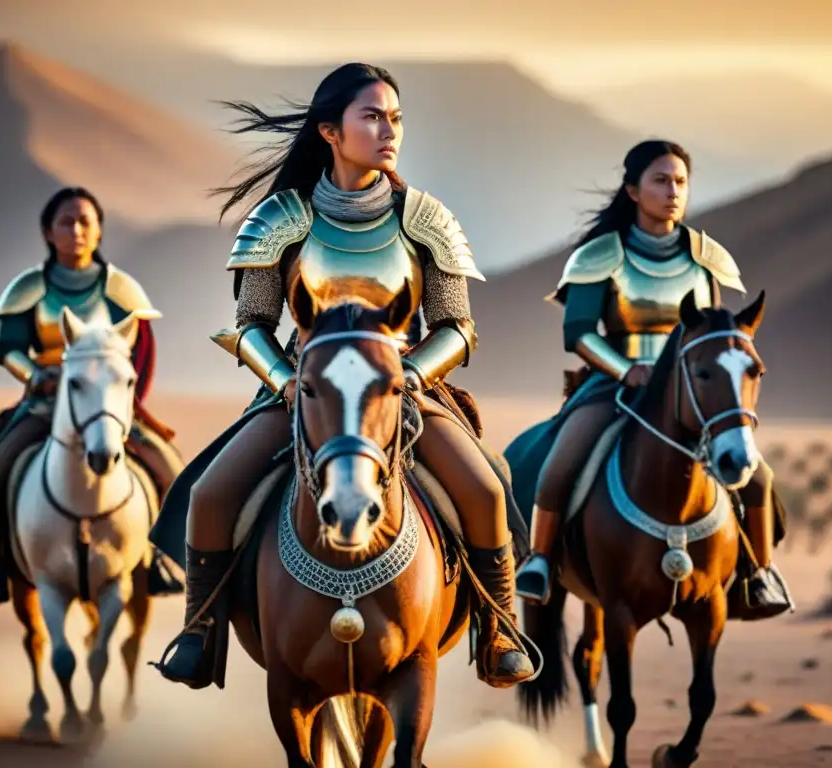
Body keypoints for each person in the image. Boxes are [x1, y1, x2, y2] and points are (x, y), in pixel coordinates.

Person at [150, 62, 534, 690]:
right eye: (373, 117)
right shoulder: (283, 219)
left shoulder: (425, 219)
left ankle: (499, 628)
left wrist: (408, 373)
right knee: (210, 495)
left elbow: (457, 326)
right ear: (330, 131)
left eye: (396, 118)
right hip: (304, 392)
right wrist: (286, 381)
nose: (389, 131)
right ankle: (199, 631)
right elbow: (250, 323)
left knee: (488, 490)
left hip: (402, 391)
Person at [508, 139, 792, 619]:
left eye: (680, 182)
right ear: (633, 191)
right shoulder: (601, 256)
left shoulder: (706, 258)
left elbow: (715, 328)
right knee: (561, 462)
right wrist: (627, 370)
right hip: (615, 383)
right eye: (661, 181)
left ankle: (757, 574)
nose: (673, 191)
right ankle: (539, 561)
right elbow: (578, 332)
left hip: (693, 389)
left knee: (757, 475)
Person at [0, 187, 185, 605]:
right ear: (48, 231)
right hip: (45, 403)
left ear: (99, 231)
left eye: (86, 221)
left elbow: (140, 352)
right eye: (66, 221)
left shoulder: (121, 290)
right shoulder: (29, 288)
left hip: (105, 409)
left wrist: (123, 403)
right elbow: (9, 348)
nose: (77, 230)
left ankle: (157, 558)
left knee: (171, 471)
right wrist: (36, 375)